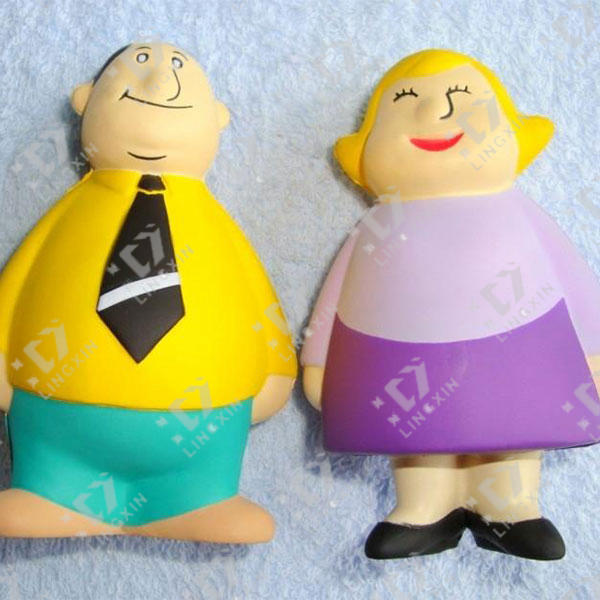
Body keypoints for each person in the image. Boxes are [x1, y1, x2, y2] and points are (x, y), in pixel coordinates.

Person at [301, 48, 600, 560]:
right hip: (397, 358)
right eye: (405, 100)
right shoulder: (376, 230)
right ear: (363, 153)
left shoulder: (523, 215)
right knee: (417, 437)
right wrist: (320, 361)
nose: (434, 113)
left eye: (460, 97)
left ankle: (510, 507)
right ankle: (424, 508)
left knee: (513, 423)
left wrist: (591, 351)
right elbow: (335, 298)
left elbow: (575, 284)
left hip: (519, 347)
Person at [0, 42, 296, 542]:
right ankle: (50, 492)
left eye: (179, 75)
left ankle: (199, 499)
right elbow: (21, 278)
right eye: (135, 80)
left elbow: (255, 291)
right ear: (85, 102)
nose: (161, 83)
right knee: (49, 467)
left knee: (204, 478)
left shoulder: (217, 227)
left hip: (204, 416)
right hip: (56, 408)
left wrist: (276, 368)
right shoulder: (71, 213)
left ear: (217, 119)